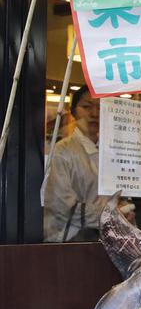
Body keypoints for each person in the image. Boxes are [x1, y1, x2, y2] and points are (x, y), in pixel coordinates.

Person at [43, 88, 116, 242]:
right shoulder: (62, 151)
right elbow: (62, 205)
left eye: (101, 107)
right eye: (87, 106)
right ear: (72, 111)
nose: (94, 114)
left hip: (107, 241)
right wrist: (112, 218)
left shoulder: (114, 151)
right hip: (67, 241)